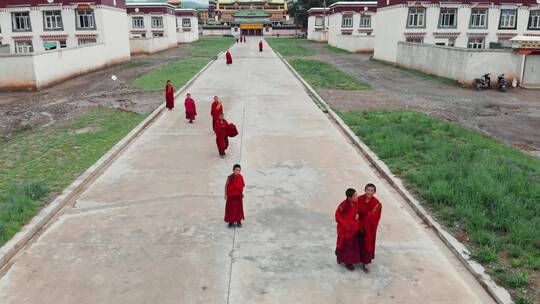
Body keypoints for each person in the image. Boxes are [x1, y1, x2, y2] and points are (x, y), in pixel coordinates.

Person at [357, 183, 382, 273]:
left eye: (372, 190)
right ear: (365, 190)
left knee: (367, 244)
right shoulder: (359, 199)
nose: (369, 192)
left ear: (374, 192)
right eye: (368, 190)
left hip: (369, 228)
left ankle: (366, 263)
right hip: (358, 225)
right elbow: (354, 209)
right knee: (356, 242)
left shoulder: (376, 204)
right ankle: (355, 259)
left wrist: (369, 216)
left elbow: (376, 217)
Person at [335, 188, 361, 271]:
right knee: (345, 245)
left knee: (352, 246)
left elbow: (356, 211)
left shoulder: (356, 203)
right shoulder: (343, 205)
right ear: (349, 197)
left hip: (353, 228)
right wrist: (345, 225)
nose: (357, 197)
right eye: (355, 196)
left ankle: (348, 260)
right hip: (346, 229)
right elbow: (337, 216)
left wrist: (357, 215)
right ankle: (347, 262)